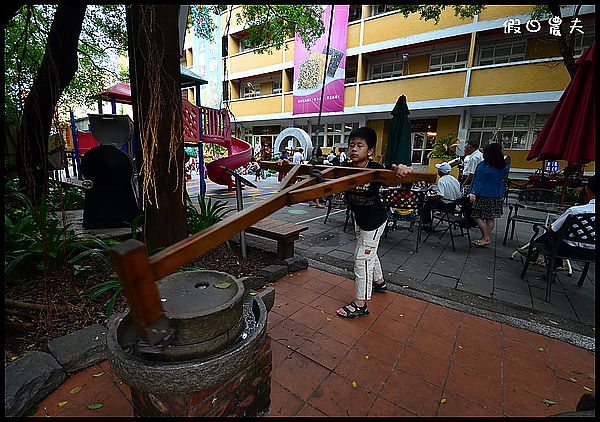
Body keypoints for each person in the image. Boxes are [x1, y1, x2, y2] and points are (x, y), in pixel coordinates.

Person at [334, 127, 413, 319]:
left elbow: (402, 181)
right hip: (359, 220)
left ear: (369, 151)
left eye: (360, 146)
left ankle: (361, 303)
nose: (354, 149)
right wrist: (286, 164)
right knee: (369, 252)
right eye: (351, 145)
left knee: (362, 258)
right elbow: (314, 170)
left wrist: (404, 170)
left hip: (375, 221)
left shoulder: (376, 169)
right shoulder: (345, 168)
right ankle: (379, 282)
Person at [520, 175, 596, 270]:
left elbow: (552, 229)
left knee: (553, 233)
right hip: (592, 252)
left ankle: (536, 252)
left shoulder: (575, 211)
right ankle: (539, 256)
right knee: (558, 234)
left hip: (568, 250)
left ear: (587, 190)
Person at [467, 142, 509, 248]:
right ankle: (485, 238)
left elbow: (478, 181)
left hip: (484, 194)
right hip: (497, 194)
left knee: (477, 216)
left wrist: (473, 192)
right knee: (490, 218)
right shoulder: (502, 166)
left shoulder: (484, 166)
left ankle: (486, 238)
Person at [422, 161, 461, 231]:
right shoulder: (454, 179)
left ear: (441, 171)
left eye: (438, 170)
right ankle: (427, 222)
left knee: (427, 204)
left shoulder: (441, 180)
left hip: (446, 205)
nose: (437, 171)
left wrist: (429, 196)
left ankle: (426, 223)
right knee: (430, 201)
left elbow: (441, 195)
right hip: (454, 204)